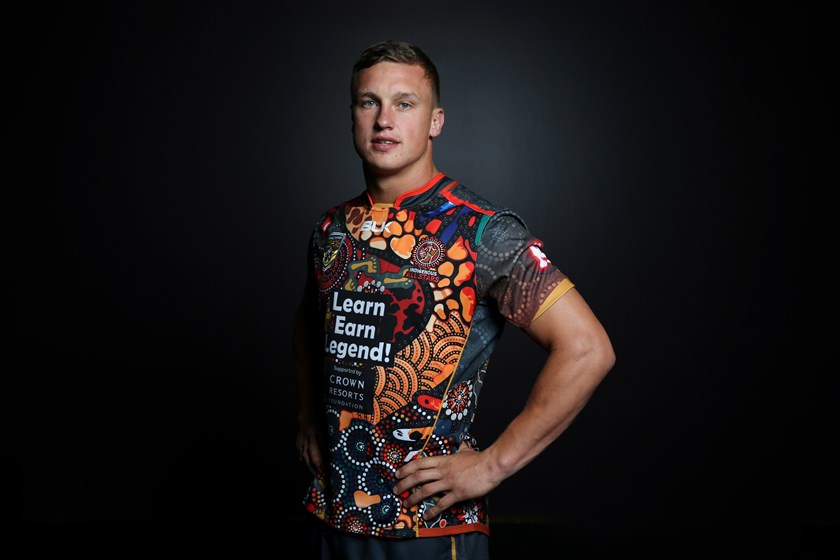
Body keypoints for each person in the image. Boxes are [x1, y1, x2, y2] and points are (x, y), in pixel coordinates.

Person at [292, 39, 615, 559]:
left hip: (428, 527)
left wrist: (492, 465)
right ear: (352, 115)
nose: (384, 120)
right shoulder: (331, 228)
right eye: (369, 102)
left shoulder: (482, 232)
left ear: (435, 121)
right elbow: (311, 323)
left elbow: (587, 349)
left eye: (405, 103)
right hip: (330, 514)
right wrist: (309, 417)